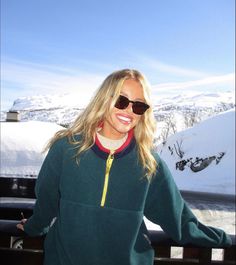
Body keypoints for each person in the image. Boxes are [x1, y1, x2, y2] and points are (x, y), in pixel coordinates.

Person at [17, 69, 232, 265]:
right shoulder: (67, 149)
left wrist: (225, 239)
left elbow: (179, 221)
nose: (129, 110)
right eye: (121, 100)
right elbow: (46, 202)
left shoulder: (148, 163)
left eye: (138, 105)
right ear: (104, 100)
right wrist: (34, 226)